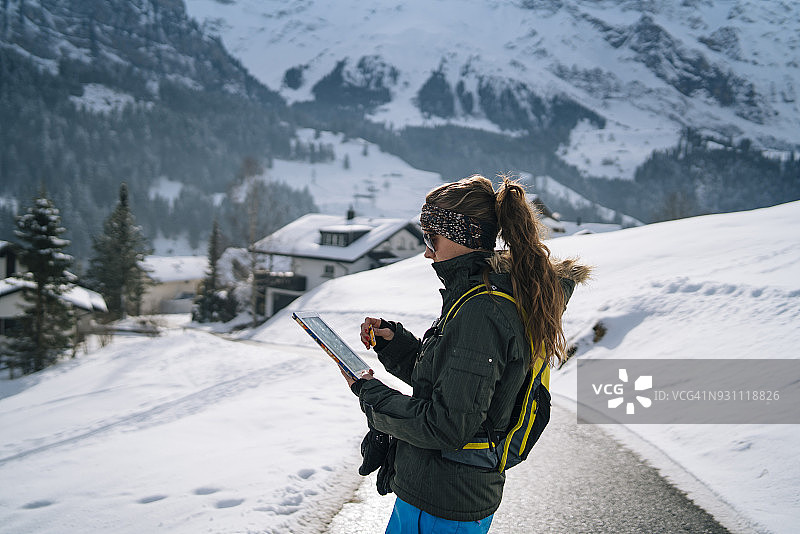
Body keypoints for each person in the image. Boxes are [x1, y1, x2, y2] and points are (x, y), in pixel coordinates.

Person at [342, 175, 589, 533]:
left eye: (432, 238)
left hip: (442, 503)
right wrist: (393, 342)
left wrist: (370, 394)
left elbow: (446, 425)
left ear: (463, 237)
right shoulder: (479, 295)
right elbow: (454, 385)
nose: (427, 251)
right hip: (441, 494)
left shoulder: (483, 310)